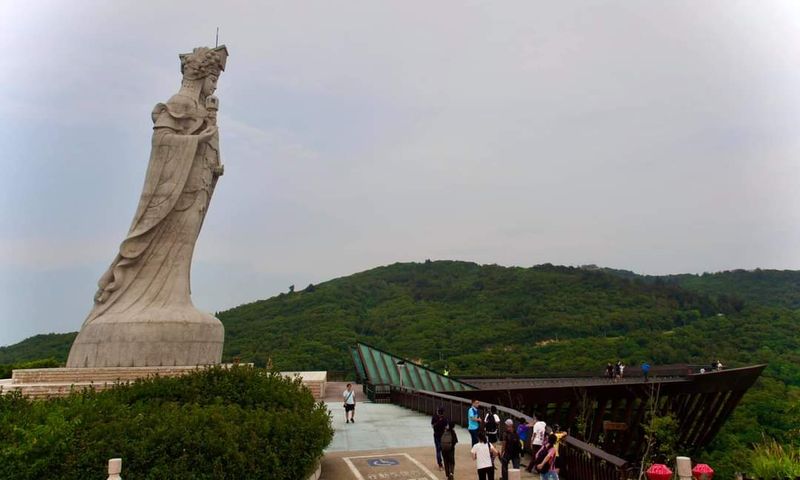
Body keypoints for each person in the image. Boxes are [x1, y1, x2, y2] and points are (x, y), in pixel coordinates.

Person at [431, 406, 449, 471]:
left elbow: (432, 425)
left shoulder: (434, 417)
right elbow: (447, 427)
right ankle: (446, 464)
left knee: (438, 450)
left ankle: (440, 465)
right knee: (444, 450)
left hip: (436, 435)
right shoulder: (445, 419)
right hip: (443, 436)